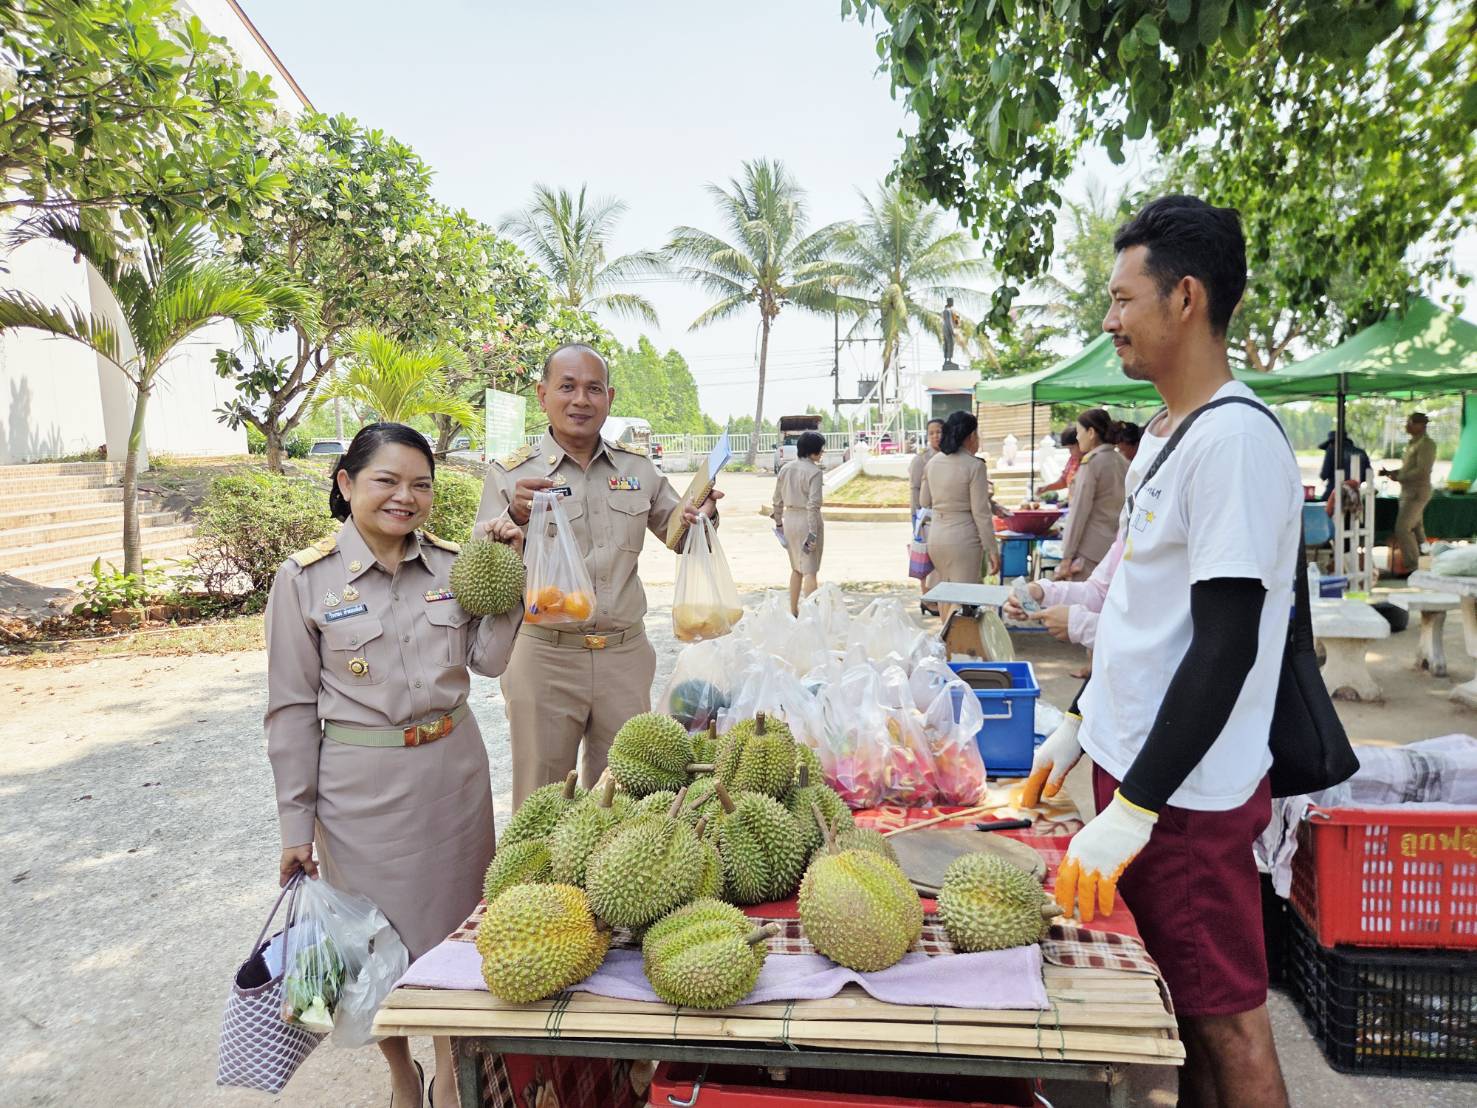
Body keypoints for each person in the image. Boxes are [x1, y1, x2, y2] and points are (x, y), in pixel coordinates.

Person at [1027, 197, 1298, 1106]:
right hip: (1137, 765)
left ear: (1184, 298)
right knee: (1174, 1016)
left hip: (1180, 795)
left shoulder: (1231, 443)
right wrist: (1079, 723)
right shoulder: (1165, 438)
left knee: (1226, 1020)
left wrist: (1138, 807)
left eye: (1120, 299)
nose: (1109, 322)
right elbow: (1145, 615)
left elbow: (1223, 646)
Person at [266, 422, 526, 1108]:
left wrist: (512, 579)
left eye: (420, 485)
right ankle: (399, 1068)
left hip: (454, 776)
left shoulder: (451, 563)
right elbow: (290, 710)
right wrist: (297, 825)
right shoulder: (302, 580)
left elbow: (490, 661)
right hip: (361, 791)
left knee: (457, 928)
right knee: (372, 938)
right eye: (386, 480)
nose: (404, 497)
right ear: (347, 483)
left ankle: (450, 1065)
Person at [477, 344, 718, 809]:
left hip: (624, 656)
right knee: (543, 800)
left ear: (608, 397)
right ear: (542, 394)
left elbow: (679, 532)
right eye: (567, 387)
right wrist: (512, 515)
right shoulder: (511, 474)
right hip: (545, 656)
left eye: (593, 389)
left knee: (626, 798)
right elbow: (479, 565)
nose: (580, 400)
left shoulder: (637, 468)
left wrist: (702, 517)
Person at [920, 410, 999, 620]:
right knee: (963, 602)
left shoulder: (933, 463)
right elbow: (981, 513)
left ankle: (946, 649)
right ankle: (959, 649)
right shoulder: (975, 466)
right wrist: (992, 549)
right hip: (963, 540)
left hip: (937, 537)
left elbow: (923, 501)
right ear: (971, 436)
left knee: (945, 598)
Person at [1055, 408, 1128, 581]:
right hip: (1115, 547)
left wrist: (1066, 556)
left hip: (1089, 550)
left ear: (1091, 432)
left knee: (1083, 604)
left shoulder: (1092, 464)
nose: (1078, 437)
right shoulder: (1123, 462)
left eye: (1080, 432)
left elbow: (1079, 512)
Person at [772, 430, 826, 614]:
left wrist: (779, 524)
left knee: (796, 568)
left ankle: (794, 610)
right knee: (810, 570)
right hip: (806, 521)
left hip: (789, 520)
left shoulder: (785, 469)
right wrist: (812, 532)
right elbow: (813, 506)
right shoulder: (814, 472)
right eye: (821, 450)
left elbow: (776, 500)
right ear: (814, 451)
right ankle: (812, 615)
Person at [1379, 412, 1437, 576]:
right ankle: (1426, 561)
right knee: (1417, 530)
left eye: (1410, 423)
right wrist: (1393, 473)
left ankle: (1413, 567)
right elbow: (1409, 468)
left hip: (1417, 492)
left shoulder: (1426, 445)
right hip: (1407, 491)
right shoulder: (1412, 444)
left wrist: (1400, 476)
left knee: (1403, 528)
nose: (1407, 426)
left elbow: (1422, 470)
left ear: (1420, 425)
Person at [910, 418, 944, 611]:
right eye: (931, 433)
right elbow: (914, 490)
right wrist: (916, 519)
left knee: (939, 560)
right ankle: (927, 598)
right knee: (924, 558)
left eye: (939, 432)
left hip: (942, 516)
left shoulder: (950, 456)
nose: (935, 436)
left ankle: (939, 598)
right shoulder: (921, 460)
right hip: (924, 517)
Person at [1318, 430, 1371, 500]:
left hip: (1333, 494)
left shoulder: (1331, 450)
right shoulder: (1361, 453)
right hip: (1355, 497)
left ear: (1332, 443)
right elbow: (1368, 475)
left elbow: (1324, 474)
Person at [1038, 426, 1081, 497]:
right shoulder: (1072, 460)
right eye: (1068, 449)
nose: (1070, 452)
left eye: (1072, 448)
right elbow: (1064, 480)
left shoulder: (1089, 462)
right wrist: (1046, 488)